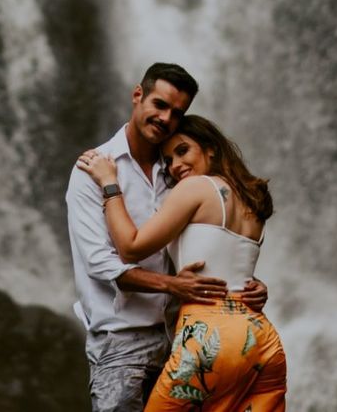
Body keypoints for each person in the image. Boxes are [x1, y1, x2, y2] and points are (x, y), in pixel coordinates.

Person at [66, 64, 269, 412]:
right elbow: (100, 263)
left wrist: (246, 283)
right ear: (138, 95)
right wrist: (173, 285)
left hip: (182, 340)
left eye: (177, 113)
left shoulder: (178, 173)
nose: (165, 118)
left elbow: (204, 243)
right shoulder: (94, 170)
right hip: (122, 342)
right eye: (159, 105)